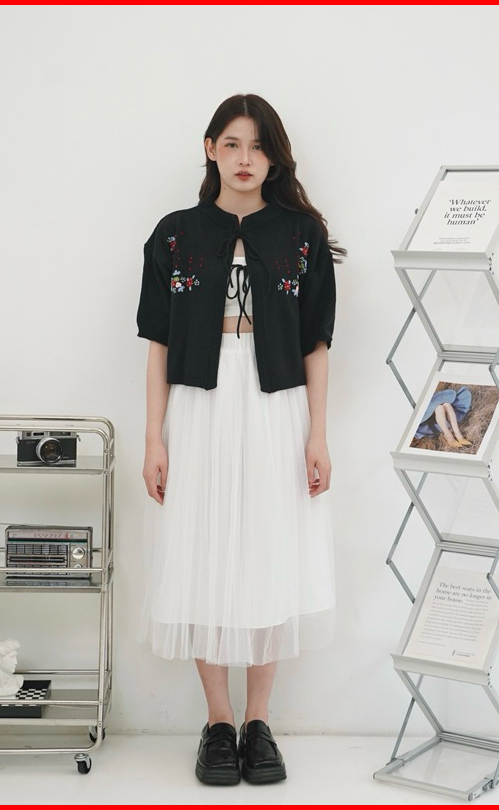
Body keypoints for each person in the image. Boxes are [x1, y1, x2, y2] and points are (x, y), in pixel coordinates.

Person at [137, 94, 344, 786]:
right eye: (231, 144)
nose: (245, 159)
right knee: (201, 550)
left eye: (258, 146)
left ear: (274, 157)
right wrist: (154, 438)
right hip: (199, 406)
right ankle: (218, 723)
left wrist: (318, 434)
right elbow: (158, 344)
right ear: (210, 149)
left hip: (276, 404)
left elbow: (316, 344)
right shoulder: (174, 234)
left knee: (268, 552)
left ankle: (259, 723)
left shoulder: (302, 235)